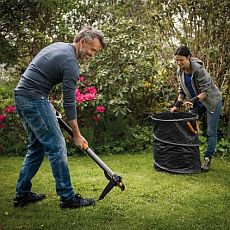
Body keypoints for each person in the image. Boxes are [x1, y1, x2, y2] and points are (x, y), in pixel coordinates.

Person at [13, 26, 105, 208]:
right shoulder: (71, 63)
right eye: (92, 49)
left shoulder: (59, 46)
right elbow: (69, 103)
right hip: (33, 98)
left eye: (96, 52)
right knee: (57, 146)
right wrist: (77, 135)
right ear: (82, 42)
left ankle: (22, 194)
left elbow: (39, 74)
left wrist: (46, 105)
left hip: (23, 96)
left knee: (37, 147)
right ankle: (68, 197)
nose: (93, 54)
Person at [170, 45, 222, 172]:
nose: (179, 63)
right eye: (176, 60)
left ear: (188, 57)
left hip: (211, 101)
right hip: (196, 102)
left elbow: (206, 92)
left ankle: (207, 158)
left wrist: (191, 100)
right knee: (189, 127)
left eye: (181, 60)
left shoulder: (199, 70)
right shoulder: (179, 71)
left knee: (211, 131)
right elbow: (181, 90)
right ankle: (191, 156)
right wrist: (177, 105)